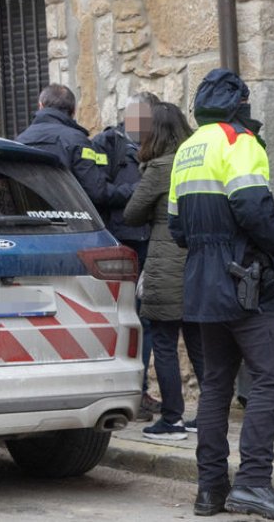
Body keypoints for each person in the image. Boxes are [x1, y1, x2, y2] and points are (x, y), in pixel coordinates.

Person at [168, 68, 274, 521]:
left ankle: (210, 490)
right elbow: (252, 207)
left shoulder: (186, 149)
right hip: (244, 277)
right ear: (238, 104)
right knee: (271, 378)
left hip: (201, 281)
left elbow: (176, 227)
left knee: (216, 385)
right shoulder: (238, 140)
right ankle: (254, 484)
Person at [124, 101, 205, 441]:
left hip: (165, 261)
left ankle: (172, 418)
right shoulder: (197, 160)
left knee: (165, 342)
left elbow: (131, 213)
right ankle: (208, 415)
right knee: (200, 343)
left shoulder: (158, 168)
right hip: (199, 261)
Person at [94, 92, 161, 419]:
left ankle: (140, 390)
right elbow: (96, 191)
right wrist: (136, 192)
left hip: (153, 243)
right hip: (122, 245)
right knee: (121, 319)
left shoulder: (159, 145)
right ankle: (119, 389)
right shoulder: (108, 144)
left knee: (147, 320)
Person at [15, 84, 132, 209]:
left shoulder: (19, 140)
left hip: (27, 221)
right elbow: (97, 192)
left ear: (40, 106)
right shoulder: (76, 140)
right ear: (74, 111)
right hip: (70, 223)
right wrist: (134, 190)